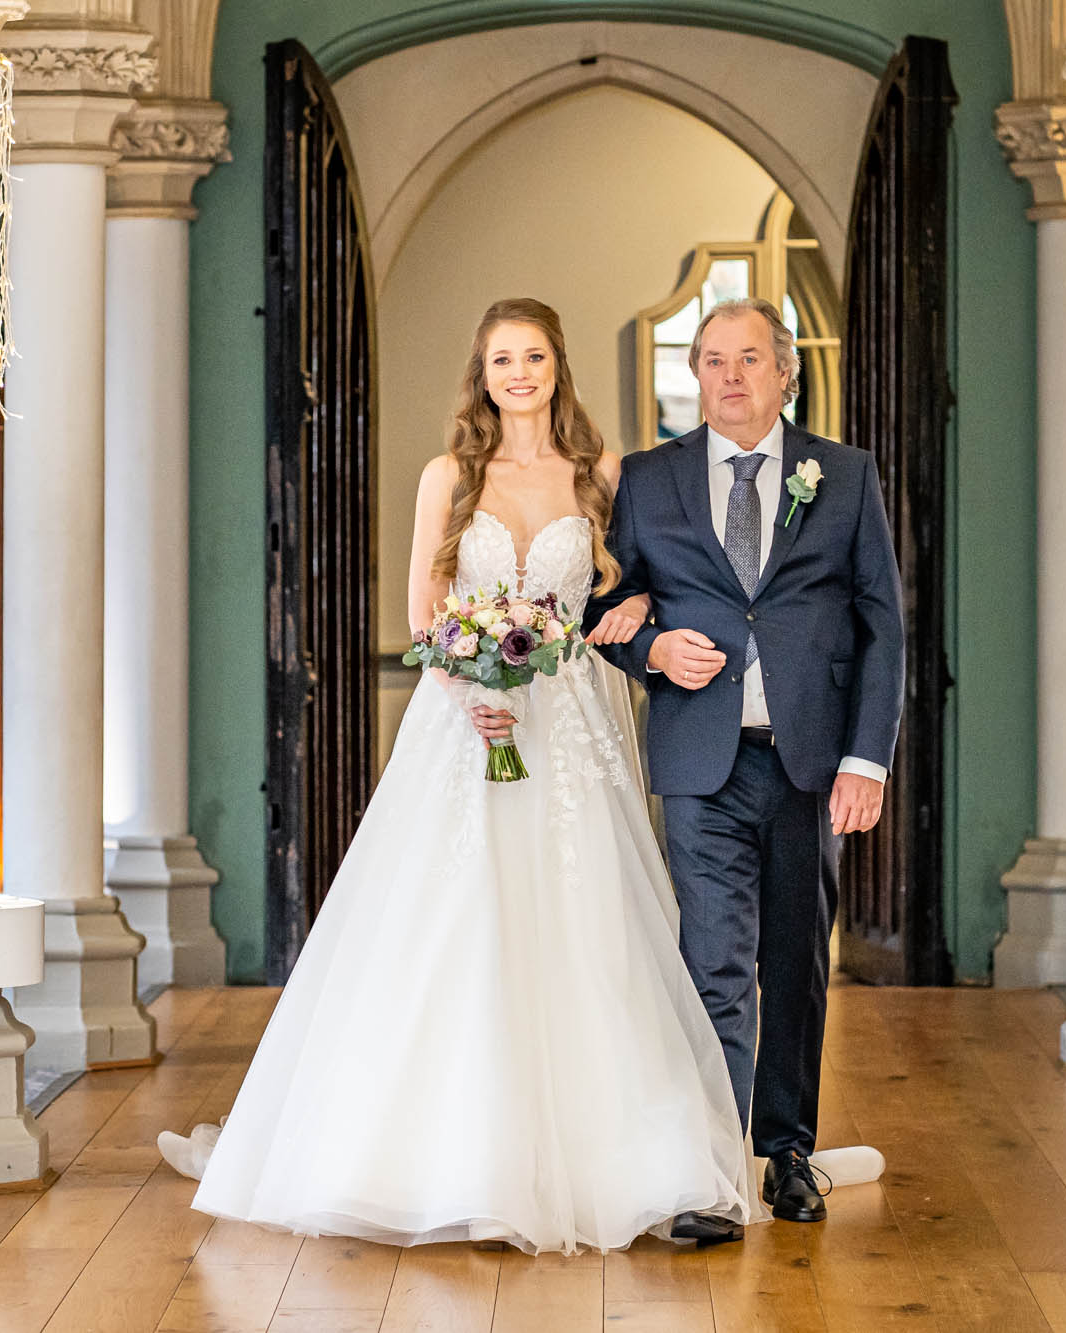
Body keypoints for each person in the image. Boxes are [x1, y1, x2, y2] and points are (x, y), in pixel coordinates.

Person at [178, 298, 751, 1255]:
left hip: (572, 723)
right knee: (458, 918)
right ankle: (448, 1155)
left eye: (533, 356)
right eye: (500, 359)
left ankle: (608, 1155)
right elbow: (422, 612)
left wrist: (641, 595)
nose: (518, 373)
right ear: (481, 374)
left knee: (585, 923)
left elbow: (641, 575)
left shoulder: (603, 472)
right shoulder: (448, 475)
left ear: (558, 366)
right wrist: (465, 689)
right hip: (467, 719)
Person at [590, 297, 905, 1229]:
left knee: (796, 963)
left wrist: (867, 759)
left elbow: (883, 624)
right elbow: (603, 611)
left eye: (750, 359)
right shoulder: (650, 479)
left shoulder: (842, 476)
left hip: (810, 762)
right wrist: (650, 653)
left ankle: (787, 1150)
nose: (731, 376)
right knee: (714, 961)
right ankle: (714, 1170)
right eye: (714, 359)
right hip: (700, 761)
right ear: (697, 374)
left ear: (786, 373)